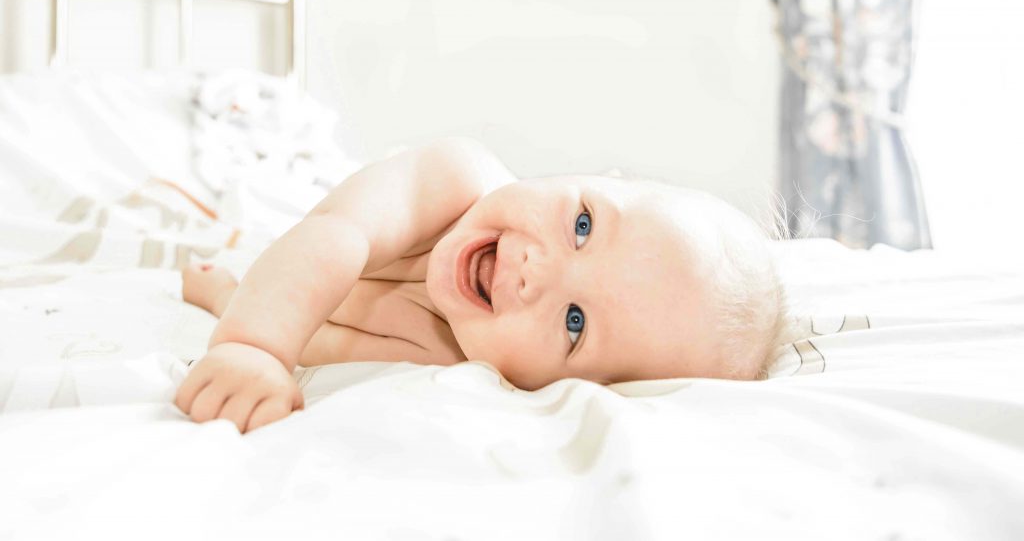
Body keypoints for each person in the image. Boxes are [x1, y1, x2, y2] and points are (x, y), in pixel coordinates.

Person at [174, 137, 787, 432]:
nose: (536, 273)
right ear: (599, 175)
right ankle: (232, 297)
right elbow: (337, 234)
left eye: (575, 323)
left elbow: (322, 347)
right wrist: (253, 346)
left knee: (315, 338)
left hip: (323, 313)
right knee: (282, 297)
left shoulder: (468, 359)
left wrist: (292, 355)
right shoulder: (453, 180)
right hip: (308, 254)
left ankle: (235, 295)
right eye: (582, 225)